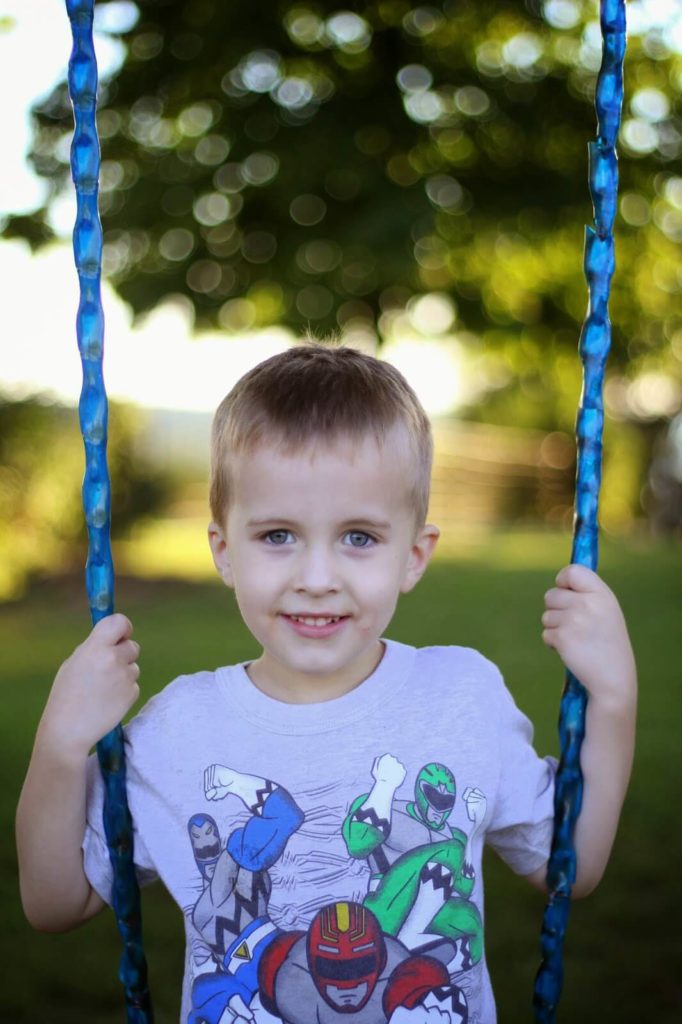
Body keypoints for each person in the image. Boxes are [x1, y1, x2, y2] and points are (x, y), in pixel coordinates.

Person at [16, 342, 637, 1024]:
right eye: (278, 535)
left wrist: (613, 698)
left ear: (414, 554)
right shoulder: (179, 728)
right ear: (224, 550)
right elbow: (55, 903)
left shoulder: (463, 696)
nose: (317, 576)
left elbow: (569, 868)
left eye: (359, 538)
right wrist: (59, 746)